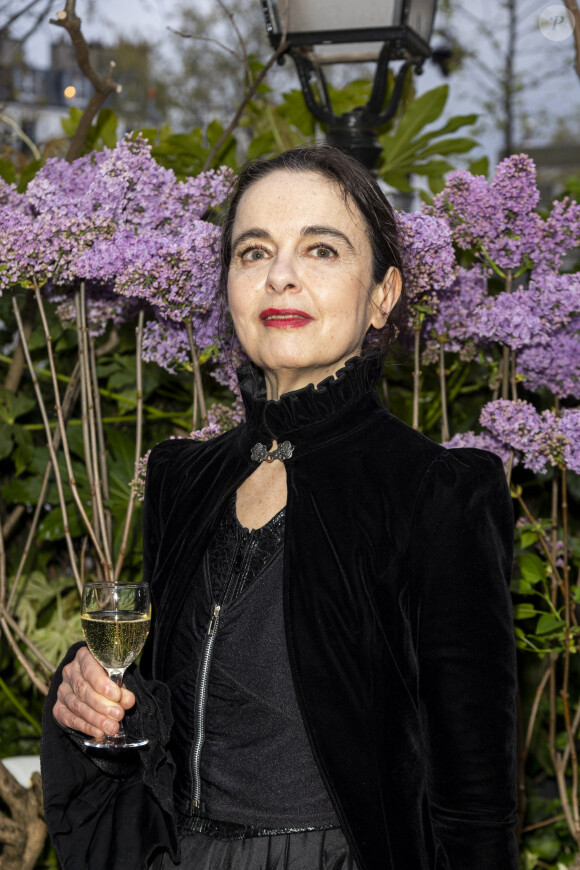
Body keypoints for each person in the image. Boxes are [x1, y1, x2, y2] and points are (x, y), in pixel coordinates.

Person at [42, 145, 518, 870]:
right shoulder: (183, 477)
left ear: (383, 294)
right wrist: (95, 703)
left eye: (321, 249)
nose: (281, 275)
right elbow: (163, 718)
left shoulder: (437, 493)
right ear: (229, 284)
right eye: (253, 251)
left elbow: (475, 795)